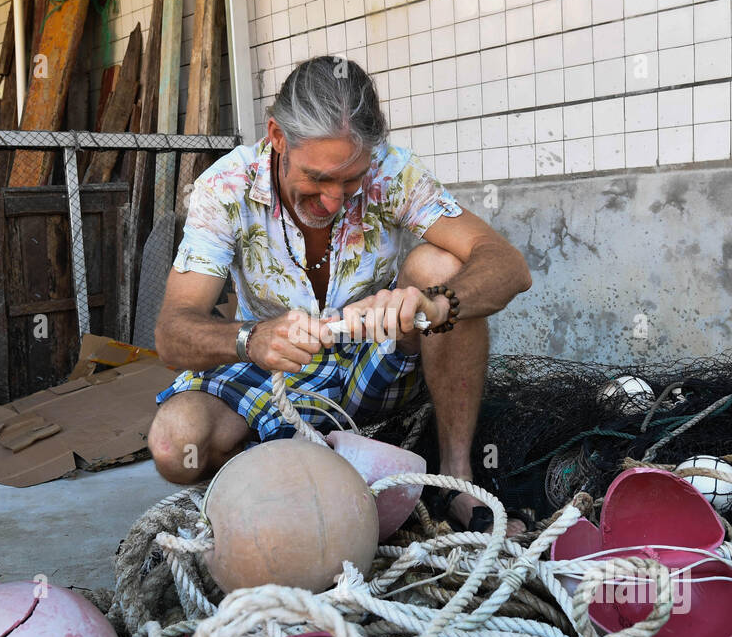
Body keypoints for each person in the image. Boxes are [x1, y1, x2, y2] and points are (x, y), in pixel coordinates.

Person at [147, 56, 532, 530]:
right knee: (174, 447)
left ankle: (457, 477)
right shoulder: (226, 188)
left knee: (442, 267)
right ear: (276, 136)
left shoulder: (393, 172)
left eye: (351, 180)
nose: (333, 200)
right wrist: (252, 339)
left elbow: (507, 264)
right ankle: (270, 477)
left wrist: (435, 305)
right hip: (275, 365)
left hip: (375, 360)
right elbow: (172, 333)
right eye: (318, 178)